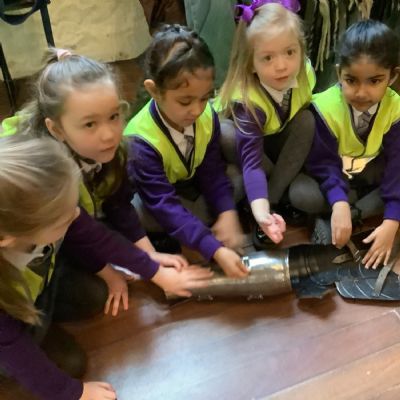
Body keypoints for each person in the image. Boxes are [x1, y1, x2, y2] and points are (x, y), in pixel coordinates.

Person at [2, 48, 212, 315]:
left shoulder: (113, 150)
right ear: (56, 129)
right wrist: (146, 271)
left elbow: (118, 203)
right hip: (34, 251)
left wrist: (148, 254)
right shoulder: (49, 175)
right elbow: (82, 232)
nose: (109, 134)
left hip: (58, 234)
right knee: (89, 295)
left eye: (114, 116)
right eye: (90, 124)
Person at [124, 24, 248, 278]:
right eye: (185, 101)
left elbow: (213, 172)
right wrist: (214, 248)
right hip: (159, 200)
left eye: (205, 98)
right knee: (141, 213)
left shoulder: (206, 117)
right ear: (154, 91)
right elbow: (163, 203)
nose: (197, 110)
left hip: (189, 189)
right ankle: (194, 235)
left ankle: (194, 233)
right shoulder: (139, 142)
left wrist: (227, 212)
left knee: (235, 178)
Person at [0, 135, 118, 400]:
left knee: (94, 294)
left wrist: (145, 268)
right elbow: (11, 345)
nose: (76, 215)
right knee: (71, 365)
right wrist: (72, 392)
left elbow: (93, 236)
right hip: (9, 326)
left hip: (30, 294)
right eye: (62, 219)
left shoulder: (26, 224)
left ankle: (34, 323)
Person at [291, 20, 400, 269]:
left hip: (367, 173)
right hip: (332, 178)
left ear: (392, 76)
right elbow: (323, 164)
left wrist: (392, 222)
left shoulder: (395, 108)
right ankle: (347, 210)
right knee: (301, 193)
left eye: (374, 81)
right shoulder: (325, 107)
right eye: (351, 80)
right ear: (339, 73)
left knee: (394, 185)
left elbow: (397, 166)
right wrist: (338, 201)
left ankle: (345, 215)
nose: (361, 92)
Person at [217, 0, 316, 248]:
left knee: (307, 121)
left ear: (301, 49)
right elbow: (251, 161)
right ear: (251, 63)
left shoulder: (305, 73)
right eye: (268, 58)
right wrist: (261, 212)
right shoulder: (246, 101)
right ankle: (261, 205)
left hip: (274, 136)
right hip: (242, 148)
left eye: (290, 52)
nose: (281, 66)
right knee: (227, 134)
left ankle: (273, 196)